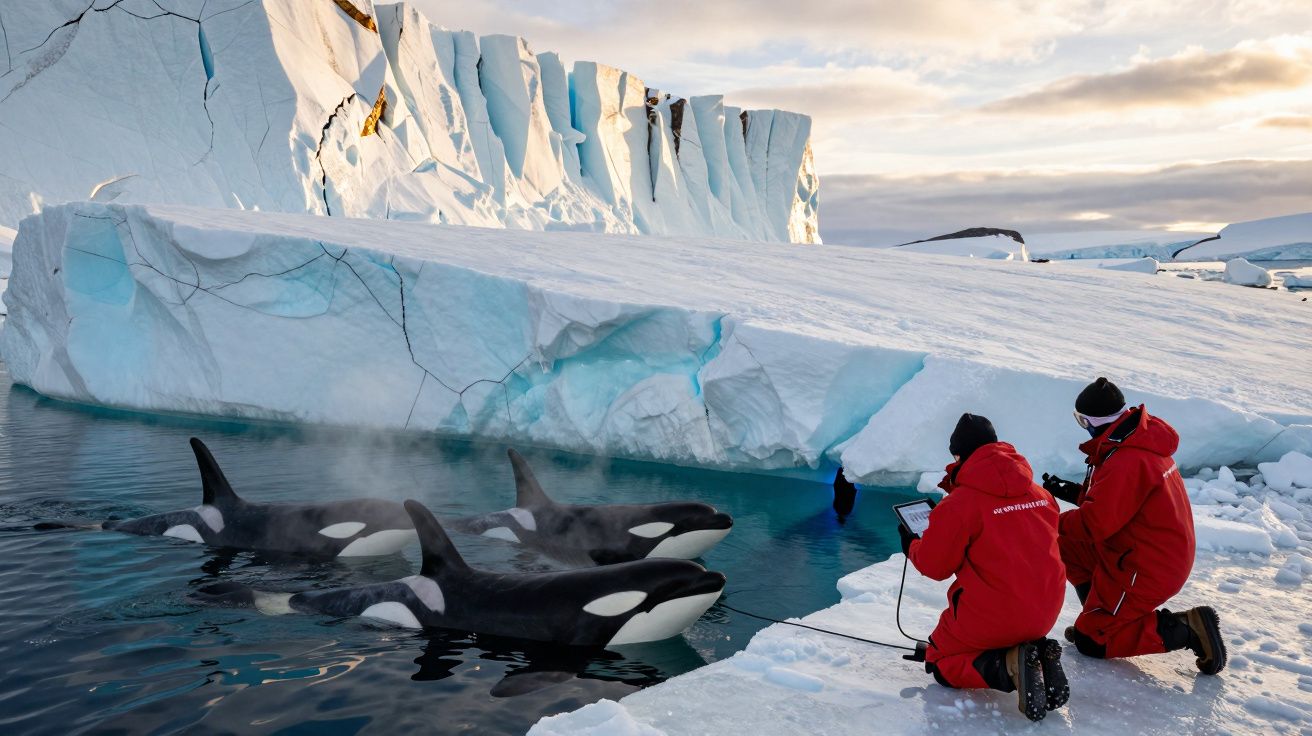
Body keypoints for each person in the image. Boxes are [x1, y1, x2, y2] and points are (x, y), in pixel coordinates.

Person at [1042, 377, 1226, 674]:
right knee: (1066, 544)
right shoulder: (1133, 438)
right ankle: (1099, 618)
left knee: (1092, 643)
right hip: (1146, 551)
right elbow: (1120, 503)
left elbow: (1094, 525)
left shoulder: (1126, 459)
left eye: (1081, 420)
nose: (1082, 426)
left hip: (1147, 565)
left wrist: (1045, 518)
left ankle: (1187, 627)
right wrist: (1075, 492)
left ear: (1091, 420)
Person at [902, 413, 1068, 721]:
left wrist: (911, 545)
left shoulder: (960, 503)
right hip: (1045, 612)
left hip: (992, 616)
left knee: (940, 662)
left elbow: (935, 566)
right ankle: (1036, 657)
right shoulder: (1040, 494)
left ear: (959, 455)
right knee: (1010, 618)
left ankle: (1009, 668)